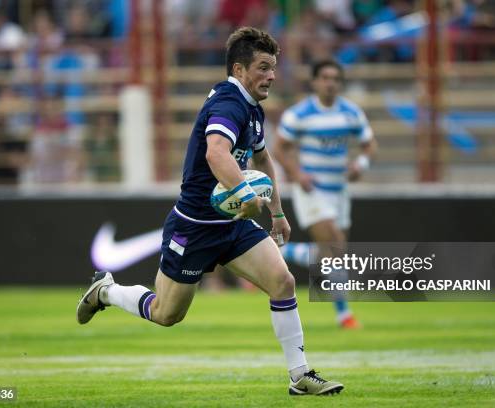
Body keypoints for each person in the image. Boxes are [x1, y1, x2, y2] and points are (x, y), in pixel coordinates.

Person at [77, 27, 343, 396]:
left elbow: (264, 157)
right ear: (238, 69)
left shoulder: (251, 109)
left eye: (273, 68)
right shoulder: (228, 105)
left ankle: (300, 376)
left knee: (282, 282)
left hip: (232, 224)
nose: (271, 75)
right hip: (196, 226)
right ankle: (106, 291)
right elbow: (215, 153)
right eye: (264, 67)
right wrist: (245, 194)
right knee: (166, 314)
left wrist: (278, 213)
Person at [273, 59, 377, 329]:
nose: (330, 83)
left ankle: (281, 251)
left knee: (334, 254)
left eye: (335, 79)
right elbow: (279, 148)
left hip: (339, 191)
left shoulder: (350, 113)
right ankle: (345, 315)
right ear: (315, 82)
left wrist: (360, 165)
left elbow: (368, 144)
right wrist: (298, 175)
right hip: (312, 190)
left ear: (339, 83)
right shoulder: (300, 114)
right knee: (334, 242)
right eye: (325, 78)